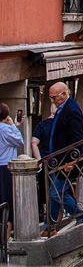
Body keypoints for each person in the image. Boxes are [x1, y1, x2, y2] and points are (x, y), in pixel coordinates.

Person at [42, 82, 83, 236]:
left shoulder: (72, 109)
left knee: (56, 193)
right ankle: (50, 227)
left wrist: (72, 160)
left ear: (64, 94)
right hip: (59, 160)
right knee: (54, 192)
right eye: (50, 98)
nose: (53, 101)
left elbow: (77, 137)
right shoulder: (63, 108)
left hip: (65, 161)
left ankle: (81, 217)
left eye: (54, 97)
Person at [0, 102, 24, 238]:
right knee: (7, 201)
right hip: (5, 168)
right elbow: (20, 141)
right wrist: (14, 125)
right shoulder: (5, 129)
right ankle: (5, 239)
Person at [31, 105, 56, 220]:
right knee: (58, 190)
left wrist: (39, 160)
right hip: (60, 160)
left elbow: (34, 142)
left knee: (45, 189)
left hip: (45, 160)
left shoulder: (43, 124)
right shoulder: (63, 124)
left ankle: (47, 216)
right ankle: (56, 219)